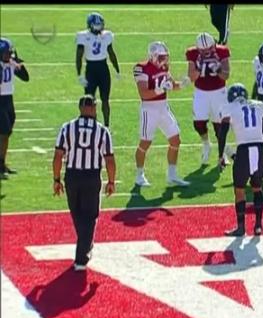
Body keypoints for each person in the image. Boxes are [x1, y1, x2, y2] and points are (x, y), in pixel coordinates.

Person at [52, 95, 116, 271]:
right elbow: (109, 159)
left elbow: (58, 155)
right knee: (89, 216)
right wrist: (111, 181)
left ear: (80, 108)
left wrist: (56, 179)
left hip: (72, 176)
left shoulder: (67, 128)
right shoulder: (102, 131)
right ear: (94, 108)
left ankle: (83, 250)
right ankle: (82, 256)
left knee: (78, 214)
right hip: (91, 176)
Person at [217, 83, 263, 237]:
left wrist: (220, 155)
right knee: (257, 187)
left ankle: (241, 227)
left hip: (243, 150)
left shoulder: (228, 108)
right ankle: (258, 226)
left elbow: (222, 134)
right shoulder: (258, 105)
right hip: (258, 148)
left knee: (239, 190)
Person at [133, 41, 189, 187]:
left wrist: (181, 84)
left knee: (175, 140)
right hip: (149, 109)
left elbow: (171, 84)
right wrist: (160, 89)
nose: (164, 60)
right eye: (161, 57)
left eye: (165, 57)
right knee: (145, 142)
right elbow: (143, 93)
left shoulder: (164, 66)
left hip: (163, 107)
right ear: (153, 56)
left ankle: (172, 175)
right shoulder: (141, 68)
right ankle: (139, 175)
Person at [185, 32, 233, 165]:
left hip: (219, 91)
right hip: (201, 91)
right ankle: (206, 143)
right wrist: (199, 68)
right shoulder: (192, 53)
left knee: (219, 125)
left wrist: (218, 70)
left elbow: (226, 76)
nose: (206, 52)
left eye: (209, 49)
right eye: (203, 50)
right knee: (198, 123)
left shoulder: (222, 51)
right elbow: (191, 76)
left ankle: (222, 152)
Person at [76, 12, 120, 128]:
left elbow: (111, 53)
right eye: (96, 25)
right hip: (90, 70)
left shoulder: (107, 35)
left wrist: (117, 69)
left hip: (103, 69)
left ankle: (106, 126)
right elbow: (79, 56)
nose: (98, 28)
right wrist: (79, 74)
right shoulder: (83, 36)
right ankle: (90, 124)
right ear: (90, 25)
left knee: (105, 99)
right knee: (89, 101)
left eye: (99, 25)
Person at [0, 37, 29, 179]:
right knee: (4, 133)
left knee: (7, 132)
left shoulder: (10, 64)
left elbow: (25, 77)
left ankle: (2, 163)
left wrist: (18, 64)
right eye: (6, 53)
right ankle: (1, 165)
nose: (9, 55)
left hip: (8, 100)